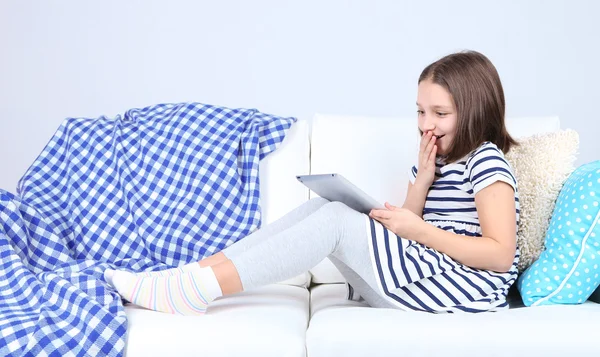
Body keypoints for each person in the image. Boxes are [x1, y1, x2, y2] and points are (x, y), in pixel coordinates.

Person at [104, 50, 520, 314]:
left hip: (463, 289)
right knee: (327, 206)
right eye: (419, 112)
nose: (425, 125)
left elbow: (500, 255)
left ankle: (198, 289)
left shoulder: (485, 160)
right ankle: (191, 275)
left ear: (474, 111)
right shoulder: (437, 160)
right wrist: (421, 185)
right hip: (427, 273)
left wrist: (418, 228)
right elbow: (411, 233)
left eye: (439, 114)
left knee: (338, 220)